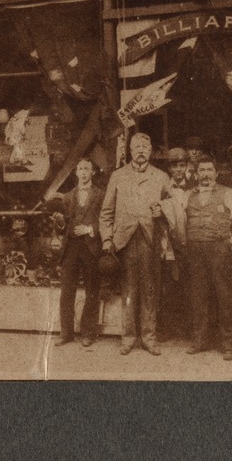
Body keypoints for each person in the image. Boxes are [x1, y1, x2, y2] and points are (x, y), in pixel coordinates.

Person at [163, 151, 232, 360]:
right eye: (202, 170)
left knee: (225, 296)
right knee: (198, 296)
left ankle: (228, 344)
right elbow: (176, 220)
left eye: (210, 169)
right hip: (195, 253)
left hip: (220, 250)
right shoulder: (187, 196)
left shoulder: (228, 194)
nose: (206, 174)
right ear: (196, 173)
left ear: (216, 173)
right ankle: (200, 340)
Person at [100, 132, 172, 356]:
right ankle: (128, 337)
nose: (141, 150)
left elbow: (172, 208)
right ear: (130, 151)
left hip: (150, 239)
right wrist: (107, 238)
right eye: (137, 146)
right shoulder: (118, 176)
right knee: (129, 289)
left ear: (150, 151)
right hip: (126, 241)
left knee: (150, 290)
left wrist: (163, 211)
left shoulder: (161, 177)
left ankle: (149, 338)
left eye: (145, 146)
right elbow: (106, 212)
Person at [52, 159, 105, 347]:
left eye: (87, 169)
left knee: (92, 290)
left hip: (91, 247)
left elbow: (107, 219)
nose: (83, 172)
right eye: (80, 169)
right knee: (67, 291)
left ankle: (87, 333)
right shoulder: (67, 197)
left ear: (93, 172)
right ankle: (66, 333)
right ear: (76, 173)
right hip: (71, 248)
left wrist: (90, 229)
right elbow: (62, 228)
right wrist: (59, 223)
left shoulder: (101, 195)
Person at [158, 148, 191, 341]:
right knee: (168, 286)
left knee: (189, 285)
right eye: (174, 166)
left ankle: (187, 328)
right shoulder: (163, 188)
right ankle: (166, 328)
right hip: (168, 243)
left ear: (187, 166)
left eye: (181, 165)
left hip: (188, 242)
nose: (178, 169)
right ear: (169, 168)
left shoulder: (193, 187)